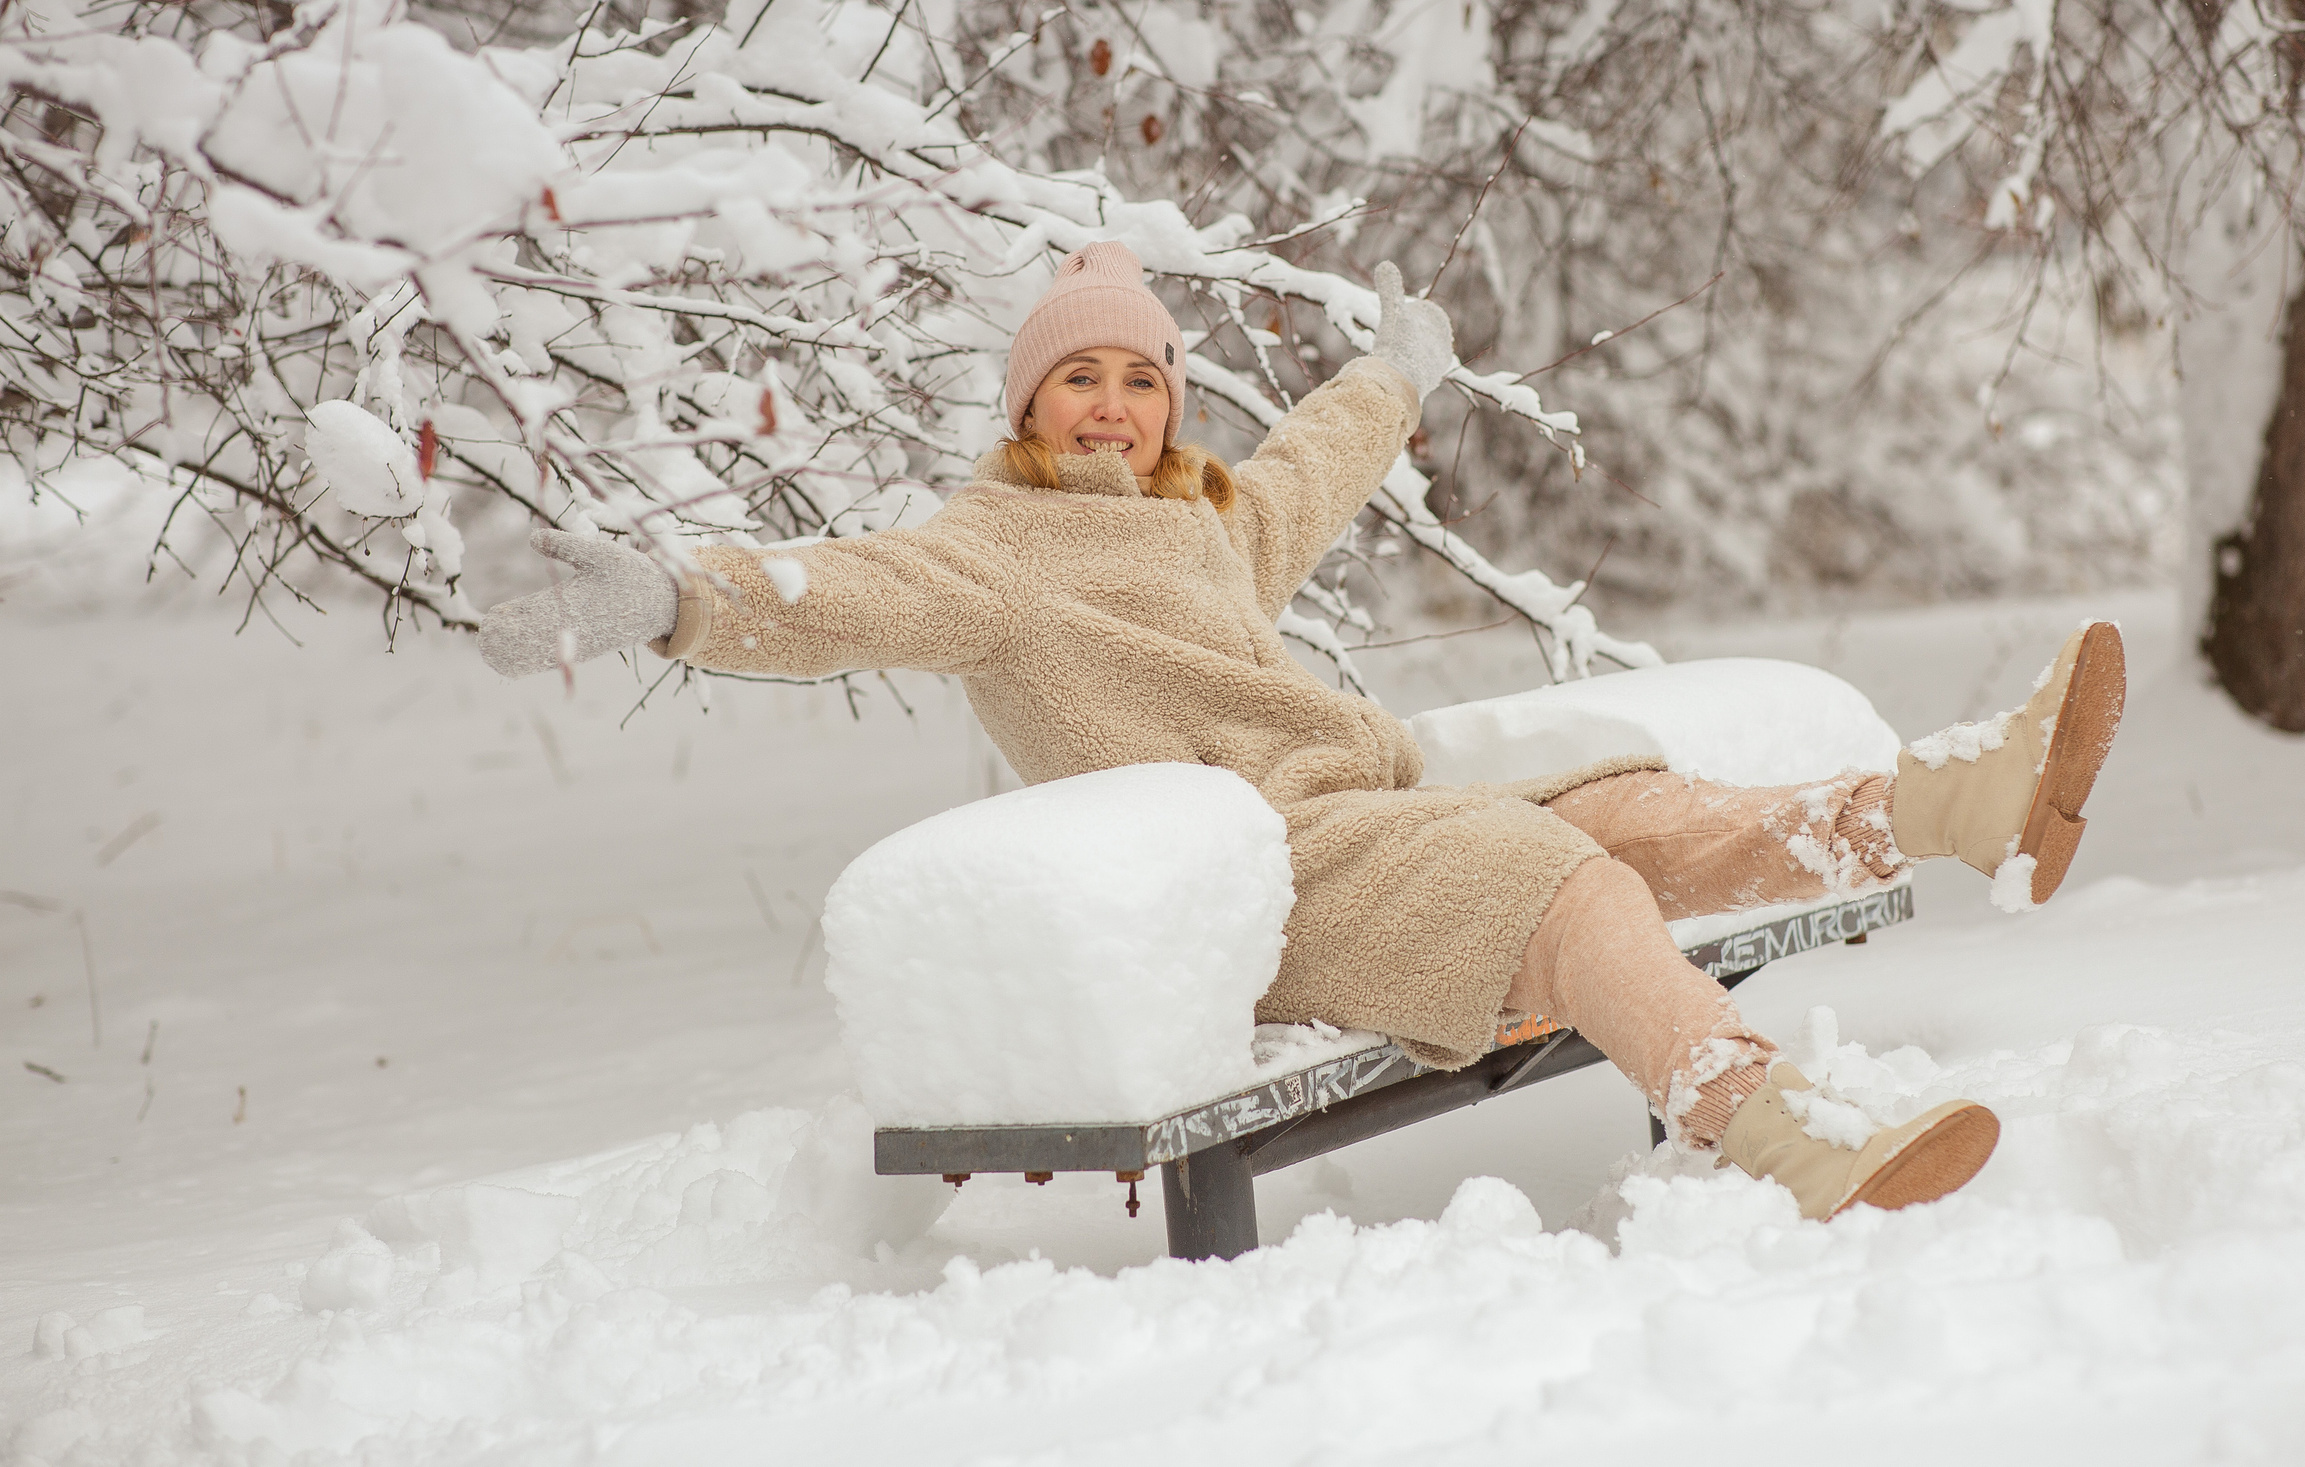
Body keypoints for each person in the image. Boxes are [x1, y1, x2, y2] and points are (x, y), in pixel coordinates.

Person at [475, 243, 2125, 1221]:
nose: (1114, 403)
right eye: (1081, 381)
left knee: (1638, 811)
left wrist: (1397, 373)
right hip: (1258, 890)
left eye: (1141, 378)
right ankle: (1771, 1129)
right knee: (1567, 887)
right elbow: (837, 598)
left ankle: (1962, 802)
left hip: (1361, 819)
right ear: (1027, 409)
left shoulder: (1202, 526)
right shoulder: (983, 557)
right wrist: (665, 598)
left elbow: (1311, 469)